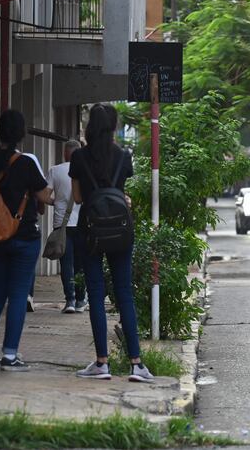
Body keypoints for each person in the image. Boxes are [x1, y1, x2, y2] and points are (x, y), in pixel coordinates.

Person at [68, 104, 154, 383]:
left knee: (95, 293)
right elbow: (120, 194)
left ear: (90, 126)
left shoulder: (79, 157)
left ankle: (102, 363)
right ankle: (137, 364)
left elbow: (79, 199)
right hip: (119, 229)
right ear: (114, 126)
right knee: (124, 293)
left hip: (90, 231)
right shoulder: (123, 156)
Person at [0, 109, 53, 371]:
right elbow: (44, 197)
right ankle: (9, 355)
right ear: (21, 133)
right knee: (18, 294)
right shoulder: (26, 163)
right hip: (24, 236)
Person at [47, 139, 87, 313]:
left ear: (65, 153)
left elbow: (43, 195)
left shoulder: (55, 170)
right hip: (83, 223)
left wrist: (56, 203)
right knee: (80, 264)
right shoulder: (87, 171)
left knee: (66, 264)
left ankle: (69, 300)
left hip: (61, 224)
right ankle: (80, 300)